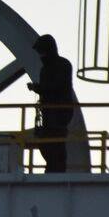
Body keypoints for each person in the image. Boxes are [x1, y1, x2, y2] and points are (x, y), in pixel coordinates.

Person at [26, 34, 76, 173]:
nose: (41, 55)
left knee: (55, 142)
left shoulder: (61, 66)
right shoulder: (54, 67)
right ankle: (54, 169)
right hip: (52, 112)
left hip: (59, 112)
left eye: (41, 51)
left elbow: (57, 87)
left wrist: (38, 88)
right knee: (49, 143)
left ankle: (56, 170)